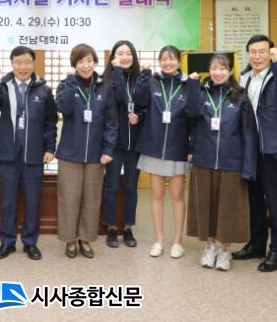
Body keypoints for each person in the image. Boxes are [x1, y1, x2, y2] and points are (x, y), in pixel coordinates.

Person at [0, 46, 57, 260]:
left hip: (34, 153)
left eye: (27, 62)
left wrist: (50, 148)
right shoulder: (2, 86)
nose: (23, 67)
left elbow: (50, 122)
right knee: (7, 200)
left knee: (33, 201)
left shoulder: (44, 90)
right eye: (18, 62)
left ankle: (30, 242)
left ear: (33, 64)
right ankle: (7, 242)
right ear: (12, 64)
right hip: (9, 153)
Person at [186, 54, 257, 271]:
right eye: (214, 68)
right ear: (209, 70)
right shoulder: (201, 92)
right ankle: (209, 247)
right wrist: (192, 86)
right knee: (206, 206)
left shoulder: (240, 96)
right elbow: (192, 113)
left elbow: (248, 133)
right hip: (204, 160)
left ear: (230, 71)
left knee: (229, 208)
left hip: (231, 162)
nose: (218, 73)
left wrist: (248, 167)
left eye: (223, 68)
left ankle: (225, 250)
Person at [232, 35, 277, 272]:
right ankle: (256, 244)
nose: (257, 56)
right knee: (254, 199)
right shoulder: (245, 77)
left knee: (274, 199)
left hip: (272, 148)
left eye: (262, 52)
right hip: (249, 148)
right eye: (253, 52)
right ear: (247, 54)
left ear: (271, 53)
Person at [56, 44, 117, 259]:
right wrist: (70, 82)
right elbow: (63, 108)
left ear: (95, 62)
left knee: (91, 200)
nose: (86, 66)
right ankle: (70, 239)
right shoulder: (66, 84)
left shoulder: (104, 86)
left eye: (89, 60)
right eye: (81, 62)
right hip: (69, 153)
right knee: (69, 199)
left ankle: (86, 238)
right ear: (74, 64)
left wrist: (108, 149)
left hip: (96, 154)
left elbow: (111, 121)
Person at [133, 46, 194, 259]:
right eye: (164, 59)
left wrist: (192, 147)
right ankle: (159, 240)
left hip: (178, 147)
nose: (168, 63)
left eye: (172, 59)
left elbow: (194, 116)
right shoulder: (152, 81)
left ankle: (177, 242)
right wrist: (143, 75)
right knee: (157, 195)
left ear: (179, 61)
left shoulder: (187, 85)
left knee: (177, 196)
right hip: (154, 146)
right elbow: (139, 100)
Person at [102, 41, 145, 248]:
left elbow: (146, 105)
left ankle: (128, 227)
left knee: (131, 188)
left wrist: (140, 117)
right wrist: (117, 70)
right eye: (120, 54)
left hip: (134, 144)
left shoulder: (141, 79)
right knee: (111, 186)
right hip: (114, 143)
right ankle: (111, 227)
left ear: (134, 56)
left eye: (129, 53)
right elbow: (119, 96)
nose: (125, 57)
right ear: (113, 57)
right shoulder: (107, 80)